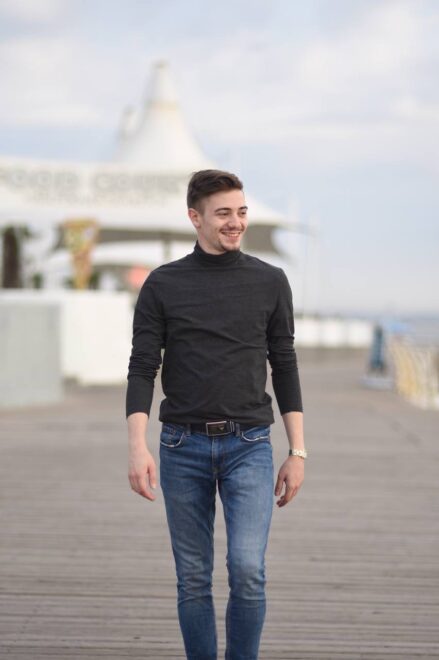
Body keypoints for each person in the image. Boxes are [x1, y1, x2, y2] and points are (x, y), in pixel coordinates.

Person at [126, 169, 306, 660]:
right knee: (192, 577)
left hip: (249, 445)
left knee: (248, 569)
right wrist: (138, 446)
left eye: (241, 211)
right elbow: (142, 367)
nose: (236, 222)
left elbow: (284, 363)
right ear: (195, 217)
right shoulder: (163, 284)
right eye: (223, 213)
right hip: (181, 446)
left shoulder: (270, 281)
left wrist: (298, 451)